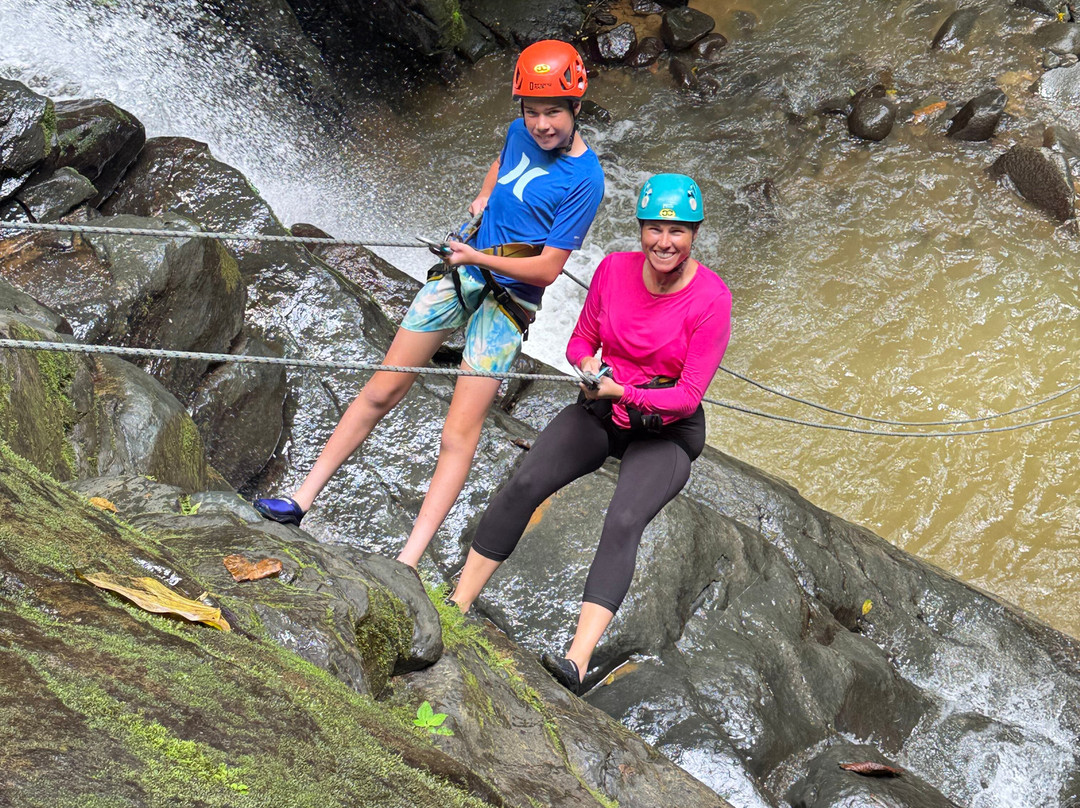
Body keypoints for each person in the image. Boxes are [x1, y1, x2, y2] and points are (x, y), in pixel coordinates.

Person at [254, 40, 605, 569]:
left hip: (506, 306)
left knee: (457, 432)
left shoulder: (586, 181)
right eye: (532, 111)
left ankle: (408, 560)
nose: (540, 124)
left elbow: (548, 269)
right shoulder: (517, 135)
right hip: (461, 273)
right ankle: (300, 499)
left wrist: (478, 256)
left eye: (553, 111)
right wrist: (486, 198)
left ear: (576, 107)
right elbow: (501, 165)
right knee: (383, 386)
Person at [447, 174, 731, 695]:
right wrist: (587, 366)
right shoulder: (613, 270)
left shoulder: (712, 298)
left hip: (663, 431)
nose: (664, 242)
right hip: (600, 403)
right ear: (640, 229)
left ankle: (575, 662)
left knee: (624, 517)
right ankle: (456, 605)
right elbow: (580, 341)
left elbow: (688, 396)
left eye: (677, 232)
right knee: (526, 481)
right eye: (654, 229)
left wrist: (620, 393)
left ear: (695, 234)